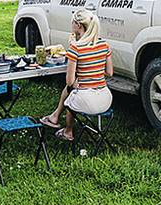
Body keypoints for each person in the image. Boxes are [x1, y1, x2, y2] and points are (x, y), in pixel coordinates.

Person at [40, 9, 113, 141]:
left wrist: (73, 48)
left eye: (72, 22)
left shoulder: (76, 48)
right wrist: (92, 69)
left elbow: (69, 81)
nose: (71, 25)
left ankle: (68, 131)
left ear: (78, 25)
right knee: (73, 91)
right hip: (105, 99)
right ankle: (54, 117)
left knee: (71, 93)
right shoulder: (104, 45)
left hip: (87, 101)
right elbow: (109, 72)